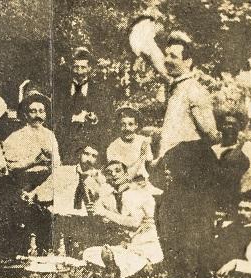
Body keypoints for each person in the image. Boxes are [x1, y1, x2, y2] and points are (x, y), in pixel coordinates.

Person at [150, 107, 250, 278]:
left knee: (198, 226)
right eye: (225, 124)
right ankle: (182, 274)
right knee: (177, 221)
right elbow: (160, 173)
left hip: (218, 200)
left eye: (233, 125)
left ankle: (196, 274)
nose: (228, 128)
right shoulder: (191, 148)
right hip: (188, 199)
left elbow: (227, 180)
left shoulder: (239, 152)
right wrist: (168, 177)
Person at [128, 23, 221, 158]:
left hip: (187, 163)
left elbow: (210, 133)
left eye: (173, 56)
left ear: (188, 61)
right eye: (167, 55)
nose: (167, 60)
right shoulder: (178, 86)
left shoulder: (194, 90)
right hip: (171, 162)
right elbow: (159, 63)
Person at [83, 160, 163, 278]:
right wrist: (98, 213)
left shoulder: (137, 194)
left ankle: (139, 266)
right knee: (88, 253)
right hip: (127, 246)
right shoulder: (111, 195)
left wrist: (105, 213)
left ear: (126, 175)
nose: (114, 174)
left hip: (144, 246)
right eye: (109, 172)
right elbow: (105, 214)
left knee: (122, 257)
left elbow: (134, 223)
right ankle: (117, 266)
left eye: (118, 171)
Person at [53, 47, 116, 163]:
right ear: (72, 68)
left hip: (90, 145)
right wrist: (70, 119)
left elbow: (107, 119)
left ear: (90, 68)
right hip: (66, 145)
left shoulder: (100, 91)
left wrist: (95, 119)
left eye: (83, 67)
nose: (79, 72)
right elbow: (56, 116)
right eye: (76, 67)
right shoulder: (62, 90)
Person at [3, 90, 60, 192]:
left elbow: (57, 164)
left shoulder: (50, 135)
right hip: (24, 181)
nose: (38, 115)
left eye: (41, 111)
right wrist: (33, 161)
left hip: (48, 181)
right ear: (25, 114)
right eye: (33, 111)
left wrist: (52, 159)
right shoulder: (15, 137)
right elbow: (8, 166)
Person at [215, 190, 251, 276]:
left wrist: (236, 264)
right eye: (240, 209)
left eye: (247, 210)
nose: (242, 213)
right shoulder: (228, 228)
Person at [106, 105, 153, 183]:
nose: (127, 128)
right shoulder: (113, 147)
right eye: (123, 125)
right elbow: (123, 176)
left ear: (136, 125)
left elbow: (150, 165)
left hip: (143, 184)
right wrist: (141, 156)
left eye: (130, 124)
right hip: (124, 185)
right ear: (118, 126)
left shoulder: (143, 141)